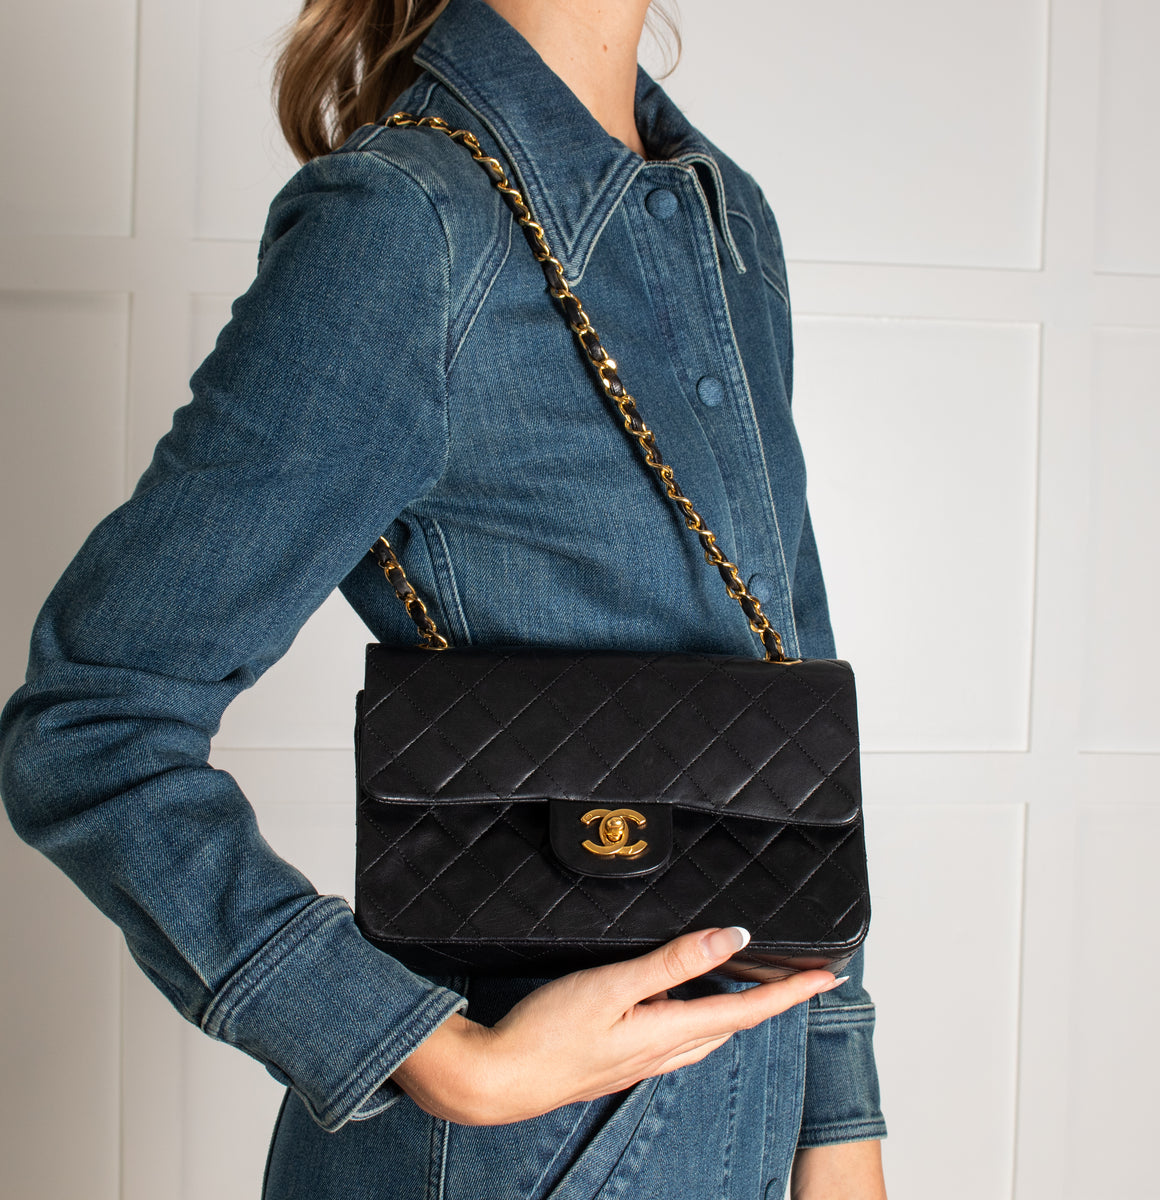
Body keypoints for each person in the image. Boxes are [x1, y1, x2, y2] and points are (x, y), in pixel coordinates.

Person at [0, 0, 887, 1195]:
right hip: (517, 1154)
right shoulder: (411, 224)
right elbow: (91, 722)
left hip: (732, 1119)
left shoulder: (724, 220)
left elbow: (798, 709)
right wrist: (429, 1055)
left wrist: (839, 1119)